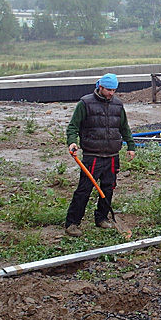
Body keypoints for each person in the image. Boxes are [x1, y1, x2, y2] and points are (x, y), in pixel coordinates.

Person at [64, 73, 136, 236]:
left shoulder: (118, 105)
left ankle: (102, 218)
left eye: (114, 90)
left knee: (108, 188)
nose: (111, 93)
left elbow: (124, 127)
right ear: (100, 87)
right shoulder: (85, 103)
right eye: (109, 89)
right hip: (92, 155)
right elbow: (73, 127)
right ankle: (72, 223)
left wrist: (131, 145)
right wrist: (72, 142)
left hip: (112, 155)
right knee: (84, 189)